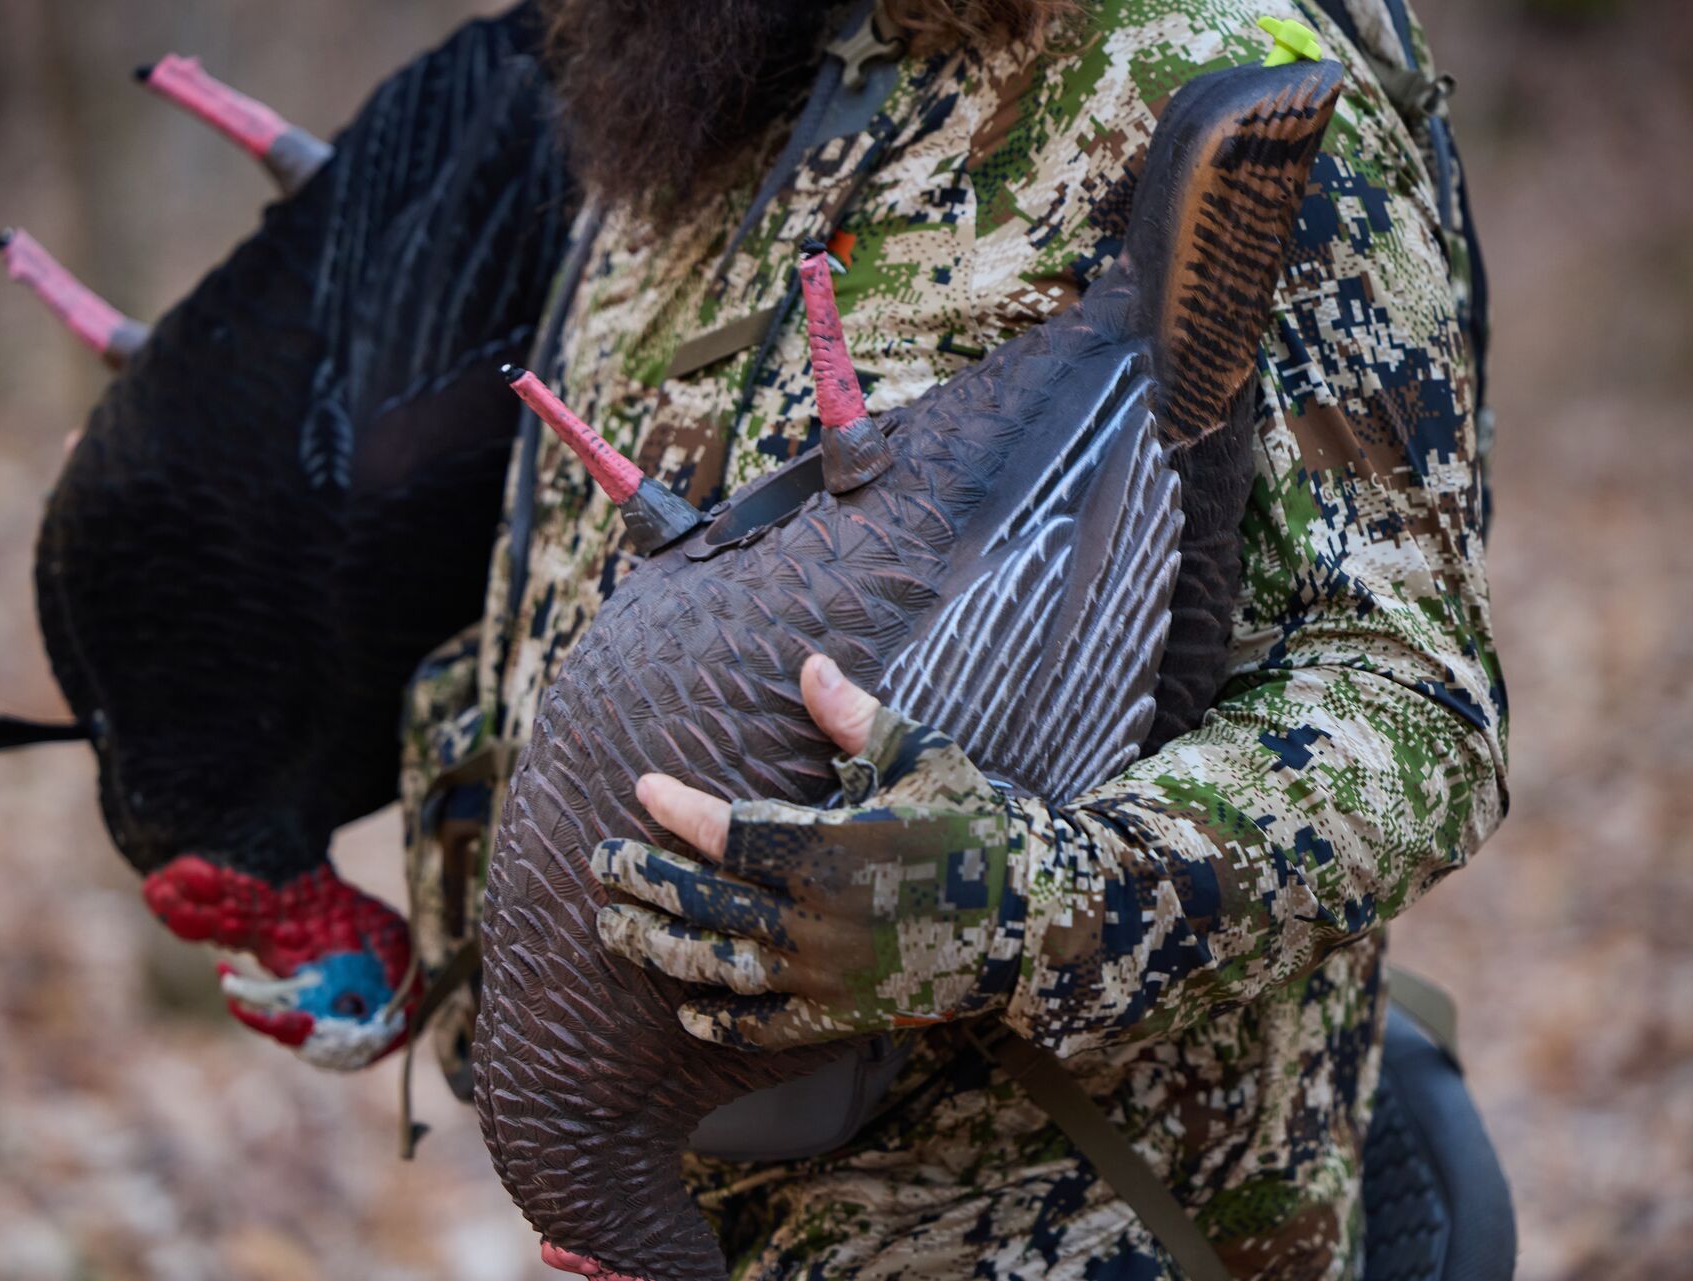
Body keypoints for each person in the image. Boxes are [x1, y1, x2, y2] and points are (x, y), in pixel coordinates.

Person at [400, 0, 1505, 1276]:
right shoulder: (681, 96)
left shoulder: (1193, 59)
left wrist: (1025, 902)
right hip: (676, 1212)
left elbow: (1415, 701)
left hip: (1076, 1232)